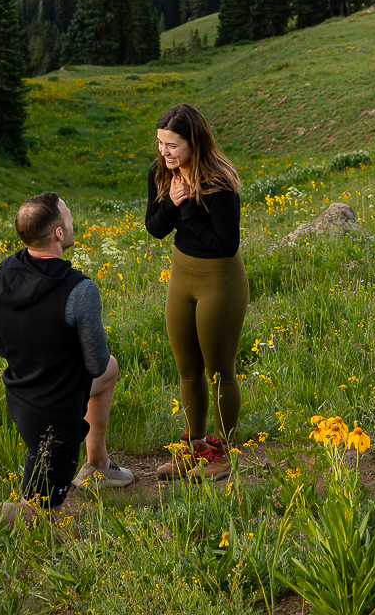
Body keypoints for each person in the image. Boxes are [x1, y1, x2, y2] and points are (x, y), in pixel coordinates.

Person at [0, 190, 133, 513]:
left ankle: (98, 464)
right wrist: (55, 361)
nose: (73, 221)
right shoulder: (79, 290)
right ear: (58, 233)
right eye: (69, 217)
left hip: (22, 396)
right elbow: (93, 362)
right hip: (57, 414)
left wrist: (31, 357)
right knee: (36, 512)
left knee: (111, 371)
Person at [145, 103, 249, 481]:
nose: (164, 152)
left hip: (219, 280)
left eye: (172, 145)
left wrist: (187, 206)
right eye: (160, 143)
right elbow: (154, 228)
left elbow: (226, 244)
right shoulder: (161, 174)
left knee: (219, 370)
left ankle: (224, 453)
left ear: (195, 143)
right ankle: (195, 448)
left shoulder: (218, 184)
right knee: (188, 371)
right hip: (181, 277)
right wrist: (173, 204)